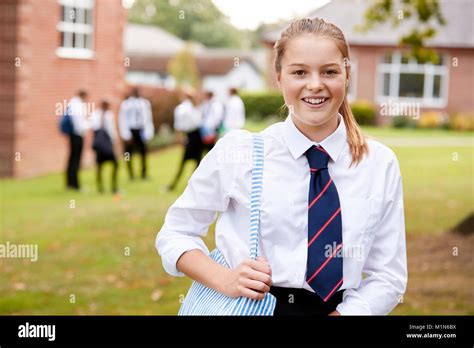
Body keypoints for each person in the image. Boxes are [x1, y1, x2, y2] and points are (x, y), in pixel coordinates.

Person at [156, 18, 407, 316]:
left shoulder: (379, 164)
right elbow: (175, 233)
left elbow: (388, 276)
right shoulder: (240, 152)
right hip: (251, 307)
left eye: (329, 71)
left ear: (346, 74)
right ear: (279, 78)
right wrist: (224, 279)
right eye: (299, 72)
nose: (315, 84)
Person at [167, 88, 203, 191]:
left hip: (195, 136)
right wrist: (180, 138)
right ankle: (176, 184)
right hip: (192, 136)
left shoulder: (193, 107)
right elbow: (179, 126)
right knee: (188, 161)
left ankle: (193, 184)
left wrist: (179, 138)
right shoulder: (184, 108)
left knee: (196, 162)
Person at [118, 87, 154, 180]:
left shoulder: (145, 103)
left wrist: (148, 132)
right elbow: (122, 119)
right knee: (127, 154)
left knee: (143, 153)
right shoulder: (126, 104)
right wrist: (126, 134)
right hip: (130, 131)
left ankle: (144, 173)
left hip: (141, 130)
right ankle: (130, 173)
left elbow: (148, 118)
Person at [91, 100, 119, 194]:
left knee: (100, 166)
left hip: (99, 146)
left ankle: (101, 188)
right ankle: (113, 187)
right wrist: (114, 142)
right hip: (106, 145)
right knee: (115, 164)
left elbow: (93, 129)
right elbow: (111, 131)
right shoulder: (108, 115)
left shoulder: (95, 114)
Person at [66, 89, 89, 190]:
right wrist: (87, 126)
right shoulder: (77, 104)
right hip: (77, 135)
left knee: (72, 159)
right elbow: (78, 122)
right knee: (75, 160)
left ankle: (71, 183)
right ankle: (74, 184)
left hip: (74, 135)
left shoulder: (74, 103)